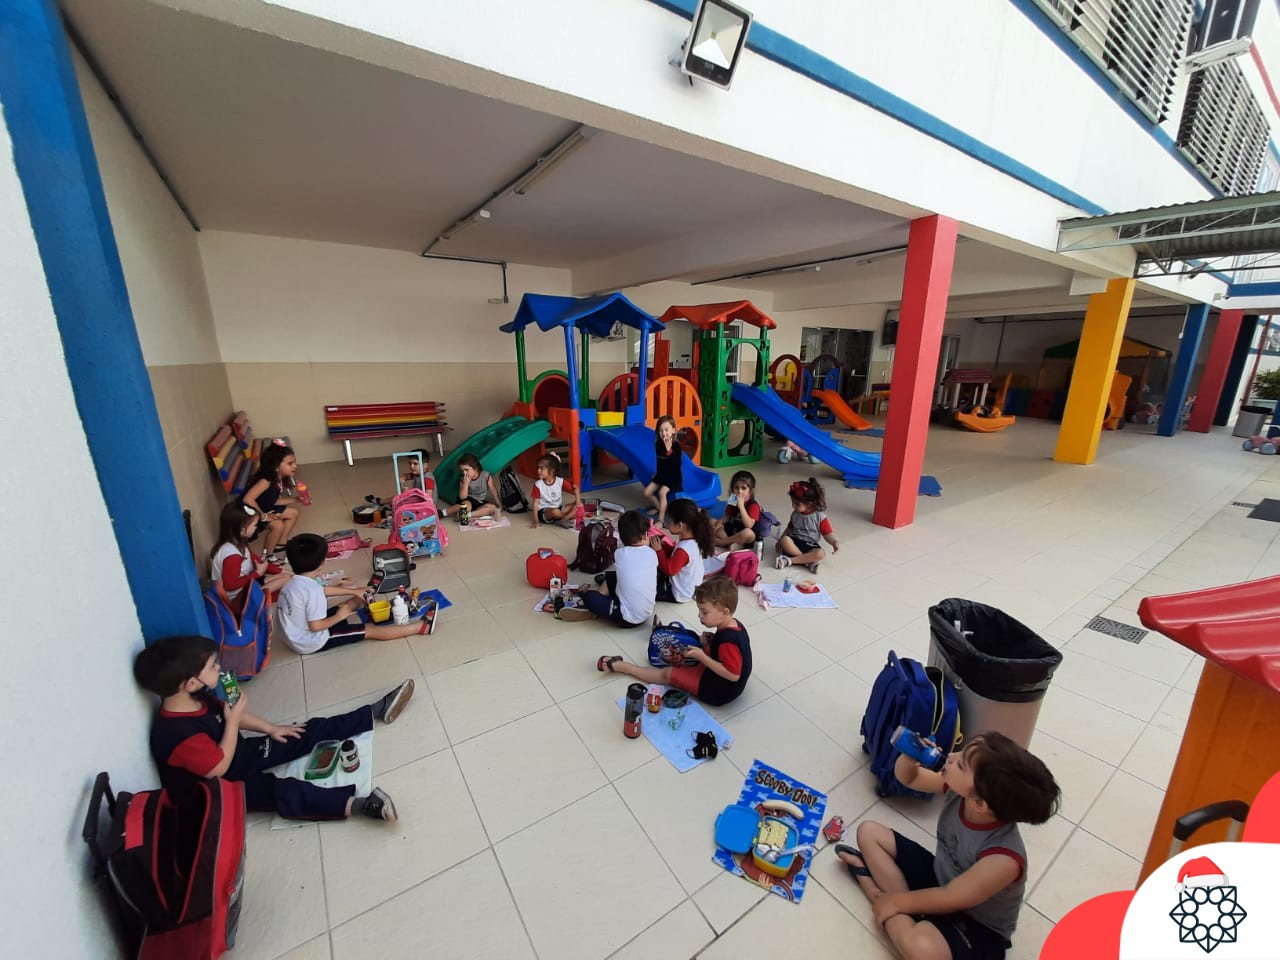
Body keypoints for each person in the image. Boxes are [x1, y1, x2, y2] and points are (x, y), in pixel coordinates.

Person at [134, 634, 417, 822]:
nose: (218, 668)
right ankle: (360, 806)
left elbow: (233, 716)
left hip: (239, 754)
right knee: (283, 792)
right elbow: (217, 768)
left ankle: (374, 712)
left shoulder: (198, 697)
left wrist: (271, 728)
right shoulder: (175, 733)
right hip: (218, 789)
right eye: (211, 666)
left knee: (304, 732)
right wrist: (232, 722)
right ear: (190, 683)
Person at [835, 732, 1060, 960]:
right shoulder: (961, 791)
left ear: (980, 803)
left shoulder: (1004, 858)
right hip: (941, 878)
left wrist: (895, 902)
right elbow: (909, 779)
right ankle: (903, 913)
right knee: (869, 832)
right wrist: (909, 761)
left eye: (960, 765)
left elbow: (951, 897)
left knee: (921, 949)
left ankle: (874, 891)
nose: (951, 756)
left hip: (976, 925)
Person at [595, 576, 751, 706]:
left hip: (718, 691)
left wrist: (703, 657)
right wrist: (709, 643)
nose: (699, 615)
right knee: (689, 649)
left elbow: (733, 675)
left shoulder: (728, 640)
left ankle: (623, 667)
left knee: (667, 674)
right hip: (722, 680)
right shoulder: (734, 624)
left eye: (704, 612)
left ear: (724, 613)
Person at [277, 533, 437, 654]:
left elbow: (322, 591)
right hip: (310, 641)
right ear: (323, 562)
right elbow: (316, 626)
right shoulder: (312, 592)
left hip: (295, 633)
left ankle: (366, 593)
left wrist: (353, 591)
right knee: (370, 629)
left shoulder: (293, 582)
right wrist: (340, 616)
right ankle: (420, 627)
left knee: (352, 600)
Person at [568, 509, 656, 627]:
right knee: (611, 577)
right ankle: (602, 597)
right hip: (646, 612)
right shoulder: (652, 553)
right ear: (645, 535)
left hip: (628, 618)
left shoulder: (619, 553)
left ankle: (594, 606)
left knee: (590, 596)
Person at [210, 502, 290, 600]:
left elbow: (257, 561)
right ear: (242, 529)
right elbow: (230, 585)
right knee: (284, 581)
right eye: (254, 525)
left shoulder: (238, 543)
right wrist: (257, 574)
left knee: (286, 576)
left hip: (244, 586)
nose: (256, 528)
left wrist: (282, 571)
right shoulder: (232, 556)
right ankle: (258, 600)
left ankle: (261, 594)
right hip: (235, 598)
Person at [241, 439, 303, 563]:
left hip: (263, 507)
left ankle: (280, 545)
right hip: (249, 513)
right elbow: (247, 499)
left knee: (293, 513)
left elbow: (272, 501)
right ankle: (267, 555)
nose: (295, 466)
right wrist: (264, 516)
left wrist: (295, 499)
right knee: (277, 525)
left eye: (294, 462)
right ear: (276, 466)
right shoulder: (266, 481)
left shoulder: (277, 478)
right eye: (290, 463)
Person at [651, 498, 712, 603]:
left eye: (670, 521)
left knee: (645, 588)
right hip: (688, 589)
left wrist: (659, 551)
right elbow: (677, 556)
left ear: (680, 525)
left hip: (678, 593)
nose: (667, 524)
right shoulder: (693, 539)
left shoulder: (684, 549)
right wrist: (664, 546)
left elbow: (670, 570)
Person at [775, 477, 839, 573]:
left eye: (797, 504)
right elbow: (789, 529)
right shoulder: (795, 514)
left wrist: (834, 542)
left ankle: (790, 561)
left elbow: (827, 534)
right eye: (793, 503)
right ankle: (807, 562)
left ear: (809, 504)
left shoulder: (820, 517)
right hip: (794, 542)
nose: (793, 506)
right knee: (784, 540)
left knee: (821, 553)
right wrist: (779, 542)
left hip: (810, 545)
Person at [644, 415, 682, 525]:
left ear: (673, 430)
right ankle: (659, 507)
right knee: (646, 493)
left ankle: (660, 520)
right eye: (661, 430)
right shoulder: (658, 445)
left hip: (673, 477)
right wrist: (657, 476)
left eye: (666, 430)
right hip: (661, 475)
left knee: (662, 493)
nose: (664, 433)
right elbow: (660, 462)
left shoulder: (676, 446)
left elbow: (676, 465)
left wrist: (669, 449)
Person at [712, 470, 763, 552]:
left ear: (750, 491)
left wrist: (741, 507)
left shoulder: (754, 506)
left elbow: (749, 525)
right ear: (732, 489)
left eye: (744, 488)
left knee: (748, 533)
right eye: (736, 488)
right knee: (712, 522)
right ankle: (731, 543)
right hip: (732, 531)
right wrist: (719, 523)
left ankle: (722, 542)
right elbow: (727, 516)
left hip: (745, 535)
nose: (739, 491)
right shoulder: (733, 498)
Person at [440, 453, 501, 520]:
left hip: (480, 502)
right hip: (468, 500)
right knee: (466, 507)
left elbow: (493, 490)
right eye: (462, 470)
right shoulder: (463, 479)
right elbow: (462, 497)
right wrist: (466, 484)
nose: (464, 473)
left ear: (475, 467)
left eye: (466, 470)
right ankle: (444, 512)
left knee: (492, 508)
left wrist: (499, 503)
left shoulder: (486, 476)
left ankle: (466, 515)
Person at [530, 454, 578, 528]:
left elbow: (575, 488)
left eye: (541, 468)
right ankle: (568, 517)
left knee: (578, 505)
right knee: (555, 512)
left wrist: (578, 502)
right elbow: (535, 504)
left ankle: (563, 519)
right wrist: (536, 521)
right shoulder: (538, 484)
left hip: (558, 508)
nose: (538, 470)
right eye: (538, 468)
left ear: (552, 471)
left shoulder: (560, 481)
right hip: (545, 512)